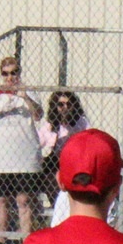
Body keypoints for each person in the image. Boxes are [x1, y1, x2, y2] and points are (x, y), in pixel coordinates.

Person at [0, 54, 44, 242]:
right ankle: (1, 241)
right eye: (6, 74)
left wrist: (25, 97)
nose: (10, 78)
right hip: (0, 159)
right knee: (1, 200)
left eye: (14, 73)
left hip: (24, 157)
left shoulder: (28, 92)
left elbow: (38, 115)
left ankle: (25, 241)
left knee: (23, 200)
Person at [39, 90, 89, 225]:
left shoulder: (81, 123)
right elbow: (38, 143)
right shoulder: (50, 126)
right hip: (55, 163)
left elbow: (87, 141)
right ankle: (57, 204)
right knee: (48, 167)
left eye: (69, 104)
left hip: (75, 162)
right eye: (61, 105)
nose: (65, 108)